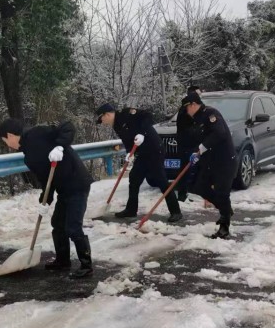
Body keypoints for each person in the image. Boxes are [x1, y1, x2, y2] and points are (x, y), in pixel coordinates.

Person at [0, 118, 94, 279]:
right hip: (64, 189)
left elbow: (67, 125)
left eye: (5, 140)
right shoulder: (28, 156)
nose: (7, 144)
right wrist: (45, 200)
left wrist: (59, 146)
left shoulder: (38, 133)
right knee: (58, 224)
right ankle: (63, 261)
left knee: (73, 227)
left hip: (77, 183)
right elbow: (45, 180)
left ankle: (86, 266)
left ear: (10, 135)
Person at [95, 103, 183, 223]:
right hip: (142, 153)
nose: (103, 122)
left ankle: (176, 211)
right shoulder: (117, 125)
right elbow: (128, 142)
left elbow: (148, 116)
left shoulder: (127, 114)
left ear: (108, 114)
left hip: (154, 149)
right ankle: (131, 210)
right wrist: (129, 154)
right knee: (134, 178)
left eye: (102, 118)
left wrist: (143, 133)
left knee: (161, 180)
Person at [182, 92, 237, 239]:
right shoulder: (197, 119)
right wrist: (195, 152)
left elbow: (219, 133)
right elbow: (199, 138)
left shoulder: (211, 114)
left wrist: (201, 148)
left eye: (187, 108)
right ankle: (225, 208)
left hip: (224, 162)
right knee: (197, 186)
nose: (186, 111)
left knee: (222, 193)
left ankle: (224, 226)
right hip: (210, 163)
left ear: (193, 104)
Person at [175, 85, 205, 202]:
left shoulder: (192, 106)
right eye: (198, 94)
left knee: (194, 169)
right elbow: (191, 126)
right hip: (187, 144)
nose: (200, 96)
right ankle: (182, 195)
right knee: (185, 170)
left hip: (191, 143)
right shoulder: (186, 109)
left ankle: (193, 191)